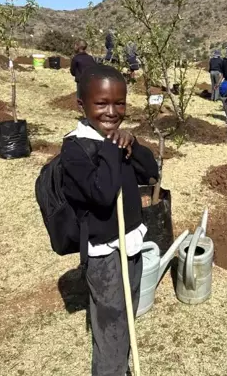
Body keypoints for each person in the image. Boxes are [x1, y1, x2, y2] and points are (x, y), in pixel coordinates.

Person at [61, 64, 158, 375]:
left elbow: (150, 172)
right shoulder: (76, 149)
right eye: (101, 103)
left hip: (130, 243)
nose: (112, 112)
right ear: (82, 105)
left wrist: (133, 146)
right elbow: (102, 194)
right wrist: (111, 151)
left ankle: (122, 365)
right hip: (104, 253)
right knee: (111, 322)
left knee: (127, 312)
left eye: (120, 103)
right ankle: (110, 370)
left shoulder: (118, 141)